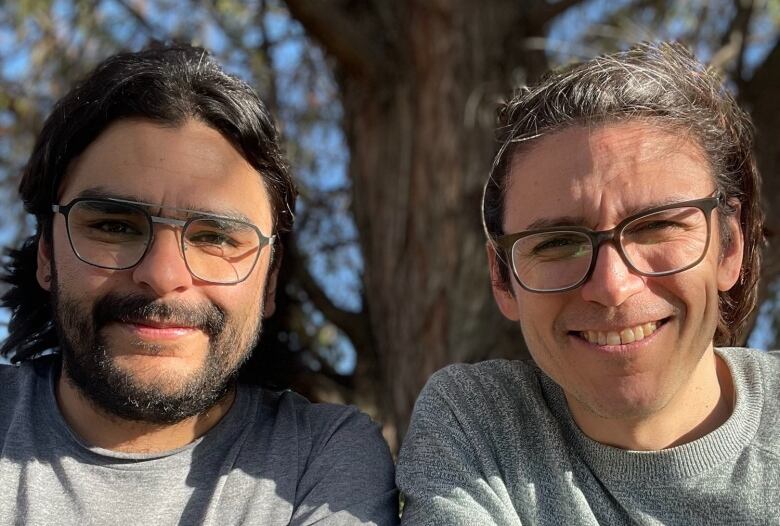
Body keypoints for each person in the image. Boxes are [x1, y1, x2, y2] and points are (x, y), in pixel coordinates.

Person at [0, 44, 397, 525]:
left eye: (216, 238)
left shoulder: (322, 460)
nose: (164, 276)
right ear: (46, 253)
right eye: (115, 226)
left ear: (270, 282)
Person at [397, 42, 780, 524]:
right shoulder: (480, 424)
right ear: (501, 278)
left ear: (730, 246)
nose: (612, 285)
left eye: (657, 225)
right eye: (556, 242)